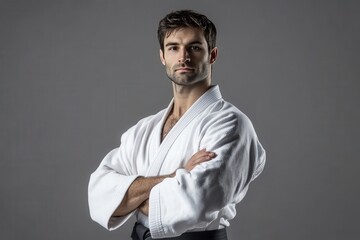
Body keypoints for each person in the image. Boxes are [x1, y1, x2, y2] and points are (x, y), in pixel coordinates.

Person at [88, 10, 266, 240]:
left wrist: (129, 198)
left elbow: (196, 203)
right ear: (162, 56)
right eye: (173, 47)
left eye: (194, 47)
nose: (183, 57)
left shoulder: (230, 124)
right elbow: (99, 194)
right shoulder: (143, 129)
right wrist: (176, 176)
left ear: (212, 55)